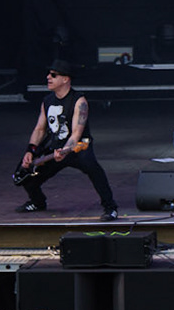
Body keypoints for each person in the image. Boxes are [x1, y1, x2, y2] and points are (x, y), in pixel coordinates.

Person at [16, 61, 119, 219]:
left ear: (65, 79)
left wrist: (65, 151)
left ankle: (110, 207)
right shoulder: (47, 101)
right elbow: (40, 129)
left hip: (77, 147)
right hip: (54, 149)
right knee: (25, 174)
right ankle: (37, 202)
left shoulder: (79, 101)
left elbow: (76, 134)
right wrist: (31, 150)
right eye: (49, 74)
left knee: (94, 170)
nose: (48, 77)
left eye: (53, 75)